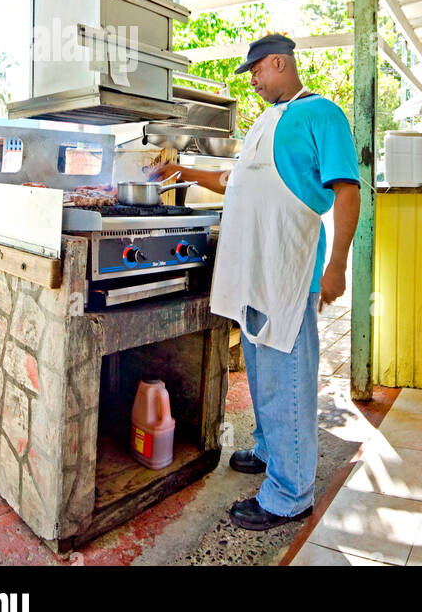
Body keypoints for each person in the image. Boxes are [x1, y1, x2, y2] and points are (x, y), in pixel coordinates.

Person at [150, 34, 361, 531]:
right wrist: (180, 168)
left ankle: (290, 495)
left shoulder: (322, 115)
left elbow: (348, 191)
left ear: (280, 63)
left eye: (257, 72)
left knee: (288, 378)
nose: (254, 81)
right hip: (252, 269)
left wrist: (338, 265)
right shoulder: (264, 123)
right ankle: (271, 451)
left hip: (287, 270)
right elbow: (233, 182)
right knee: (264, 372)